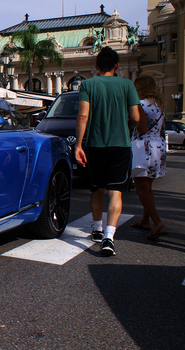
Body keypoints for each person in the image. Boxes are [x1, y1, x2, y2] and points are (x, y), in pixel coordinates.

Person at [74, 46, 140, 256]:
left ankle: (96, 228)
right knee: (116, 191)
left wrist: (78, 144)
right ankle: (108, 237)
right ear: (117, 65)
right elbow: (136, 117)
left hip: (96, 144)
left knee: (97, 189)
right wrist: (125, 128)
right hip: (120, 144)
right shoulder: (127, 84)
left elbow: (83, 116)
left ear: (96, 66)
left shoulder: (88, 85)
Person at [130, 74, 167, 240]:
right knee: (148, 187)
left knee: (141, 189)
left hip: (143, 148)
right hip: (157, 146)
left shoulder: (141, 105)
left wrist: (131, 123)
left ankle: (157, 221)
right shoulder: (159, 104)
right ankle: (145, 220)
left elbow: (142, 128)